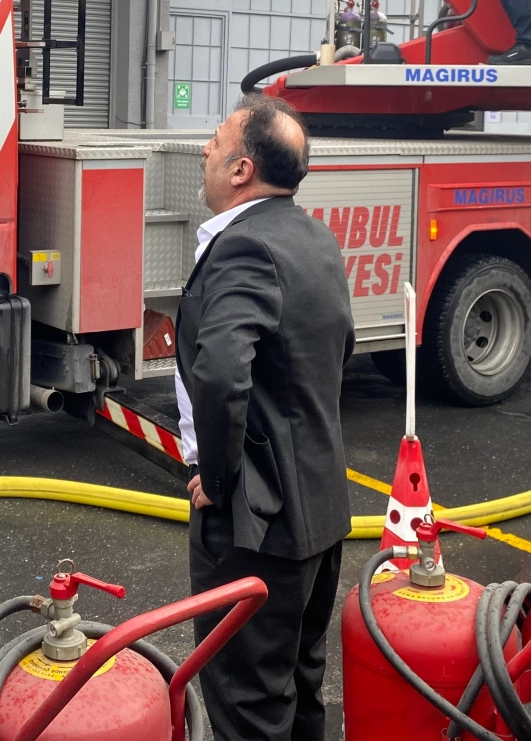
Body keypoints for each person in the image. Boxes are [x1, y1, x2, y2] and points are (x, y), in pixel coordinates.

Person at [175, 94, 354, 741]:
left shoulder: (242, 248)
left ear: (242, 169)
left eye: (216, 141)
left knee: (248, 705)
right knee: (300, 689)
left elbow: (222, 373)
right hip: (321, 512)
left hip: (258, 527)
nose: (205, 149)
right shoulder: (313, 236)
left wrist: (220, 482)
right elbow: (332, 358)